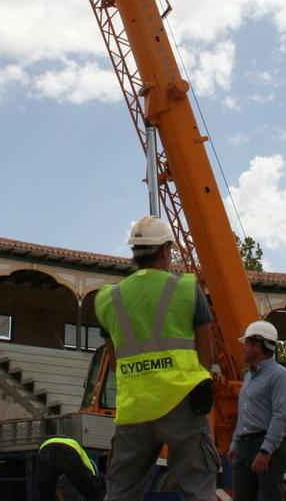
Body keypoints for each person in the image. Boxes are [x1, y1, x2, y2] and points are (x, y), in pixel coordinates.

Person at [95, 214, 218, 501]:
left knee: (121, 493)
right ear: (165, 250)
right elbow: (205, 350)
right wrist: (196, 381)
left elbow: (113, 361)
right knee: (197, 488)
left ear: (134, 254)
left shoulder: (106, 299)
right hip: (183, 403)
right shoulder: (187, 288)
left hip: (134, 407)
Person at [228, 320, 286, 501]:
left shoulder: (280, 376)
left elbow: (280, 416)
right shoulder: (249, 376)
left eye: (246, 344)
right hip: (244, 445)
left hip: (268, 445)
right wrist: (235, 444)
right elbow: (244, 413)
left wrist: (266, 451)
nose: (243, 348)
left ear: (257, 345)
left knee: (271, 497)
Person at [36, 436, 105, 501]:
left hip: (44, 450)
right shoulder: (90, 466)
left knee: (47, 493)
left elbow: (53, 489)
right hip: (68, 450)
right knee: (93, 492)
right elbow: (91, 483)